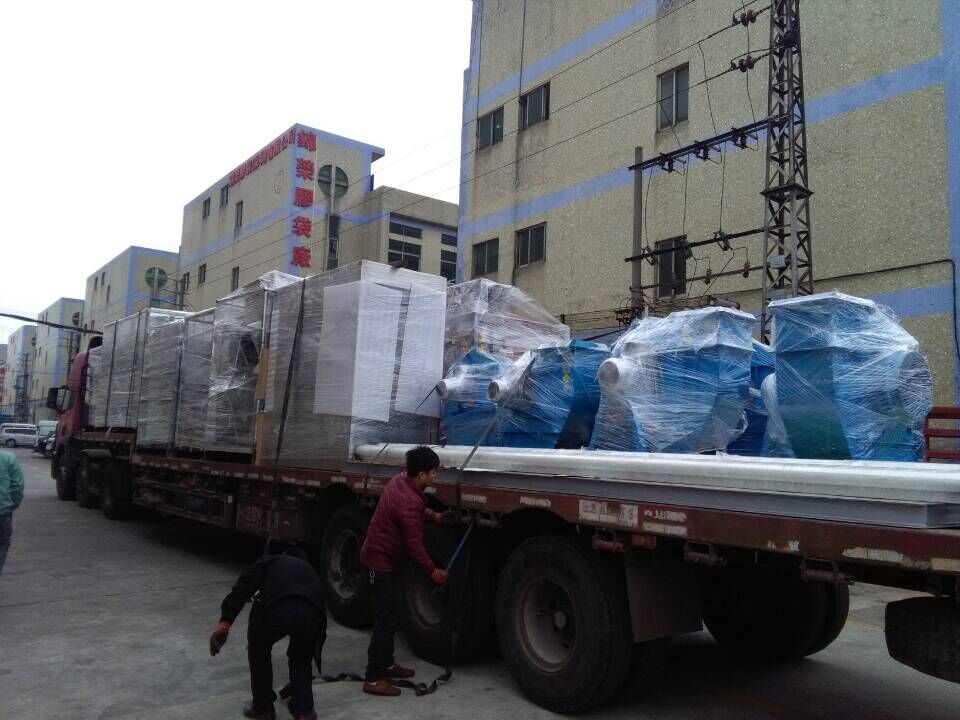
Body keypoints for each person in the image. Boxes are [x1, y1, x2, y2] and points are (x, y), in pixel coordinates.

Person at [359, 445, 449, 697]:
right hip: (377, 564)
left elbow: (414, 511)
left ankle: (387, 665)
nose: (435, 476)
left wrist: (434, 517)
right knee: (384, 619)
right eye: (433, 472)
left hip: (384, 560)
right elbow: (415, 547)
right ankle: (373, 678)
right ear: (421, 474)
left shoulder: (401, 480)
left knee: (390, 614)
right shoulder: (408, 500)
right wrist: (433, 572)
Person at [209, 547, 326, 720]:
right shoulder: (310, 571)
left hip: (278, 608)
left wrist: (225, 623)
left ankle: (263, 708)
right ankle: (304, 711)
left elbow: (242, 588)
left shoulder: (271, 561)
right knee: (301, 657)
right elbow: (320, 605)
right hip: (313, 613)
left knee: (258, 648)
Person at [0, 448, 24, 576]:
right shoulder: (8, 458)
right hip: (2, 512)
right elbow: (17, 486)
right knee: (2, 544)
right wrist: (11, 505)